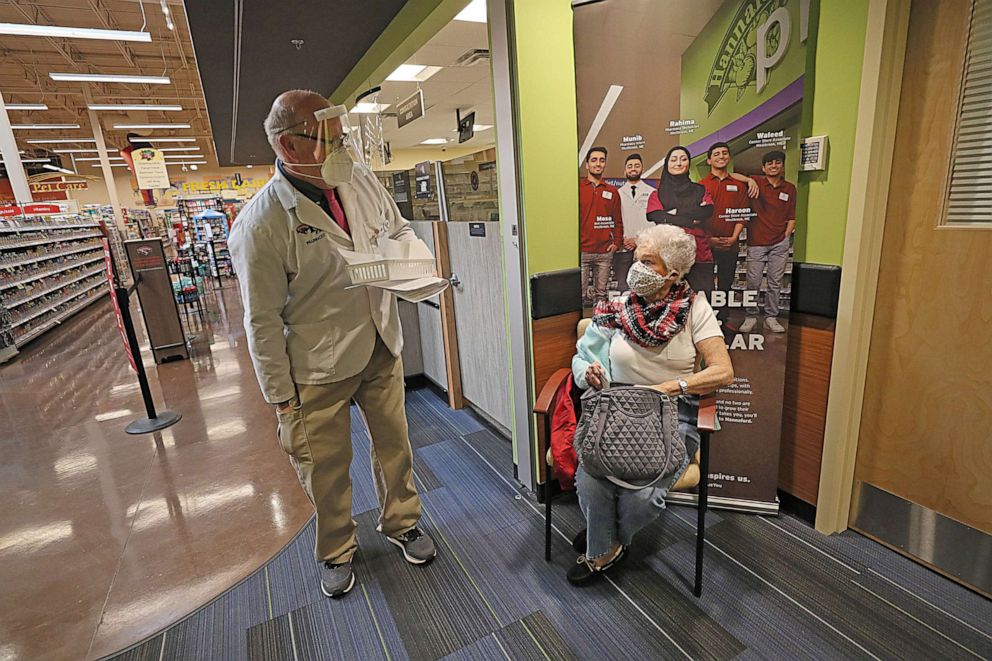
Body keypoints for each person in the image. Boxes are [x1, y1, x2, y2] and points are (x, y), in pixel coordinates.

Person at [229, 90, 436, 600]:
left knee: (396, 446)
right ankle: (337, 549)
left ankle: (402, 522)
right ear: (288, 146)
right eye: (330, 140)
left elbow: (398, 226)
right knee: (325, 466)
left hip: (380, 344)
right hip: (317, 366)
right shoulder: (261, 224)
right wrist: (280, 397)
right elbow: (261, 320)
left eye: (343, 137)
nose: (343, 149)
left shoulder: (358, 180)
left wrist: (407, 261)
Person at [568, 224, 734, 585]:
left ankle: (608, 542)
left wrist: (674, 386)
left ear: (673, 274)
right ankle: (606, 547)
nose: (635, 268)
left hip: (672, 414)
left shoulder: (695, 310)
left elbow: (723, 371)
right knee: (591, 482)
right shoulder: (616, 308)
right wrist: (589, 372)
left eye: (647, 262)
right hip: (614, 411)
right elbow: (581, 359)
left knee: (643, 498)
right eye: (636, 259)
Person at [699, 142, 756, 328]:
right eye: (716, 154)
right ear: (709, 160)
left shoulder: (739, 185)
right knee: (705, 283)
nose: (721, 156)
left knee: (726, 282)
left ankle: (722, 317)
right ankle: (705, 317)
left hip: (731, 243)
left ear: (729, 157)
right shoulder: (700, 186)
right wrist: (710, 240)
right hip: (707, 244)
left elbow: (742, 213)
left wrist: (734, 237)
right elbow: (697, 218)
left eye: (724, 153)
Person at [645, 146, 715, 295]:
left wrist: (674, 214)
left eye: (683, 159)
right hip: (667, 254)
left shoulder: (700, 190)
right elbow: (655, 215)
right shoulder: (657, 194)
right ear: (667, 164)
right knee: (667, 297)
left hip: (699, 252)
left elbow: (707, 211)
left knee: (703, 296)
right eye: (674, 159)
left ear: (688, 164)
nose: (678, 163)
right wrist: (690, 218)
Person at [740, 150, 796, 334]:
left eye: (777, 162)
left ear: (782, 165)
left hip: (780, 243)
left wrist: (786, 236)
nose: (774, 166)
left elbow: (792, 216)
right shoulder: (756, 183)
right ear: (763, 167)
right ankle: (750, 316)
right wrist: (749, 180)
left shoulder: (790, 188)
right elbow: (729, 174)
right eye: (769, 163)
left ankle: (771, 317)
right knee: (753, 282)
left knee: (775, 282)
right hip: (756, 242)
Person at [580, 146, 623, 308]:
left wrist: (616, 244)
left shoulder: (612, 191)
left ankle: (600, 329)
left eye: (602, 160)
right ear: (587, 165)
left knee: (601, 297)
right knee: (580, 295)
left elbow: (617, 220)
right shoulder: (578, 188)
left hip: (604, 252)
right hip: (582, 251)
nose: (598, 164)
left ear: (605, 164)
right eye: (594, 160)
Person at [614, 153, 656, 291]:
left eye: (637, 166)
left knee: (645, 284)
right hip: (623, 246)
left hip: (644, 246)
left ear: (642, 169)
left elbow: (653, 222)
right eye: (630, 166)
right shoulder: (617, 193)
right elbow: (615, 219)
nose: (633, 169)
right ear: (625, 170)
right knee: (623, 285)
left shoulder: (652, 192)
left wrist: (638, 240)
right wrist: (623, 239)